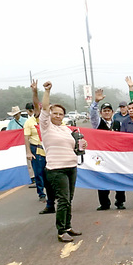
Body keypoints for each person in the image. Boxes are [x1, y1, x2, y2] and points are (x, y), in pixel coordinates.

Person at [39, 81, 86, 243]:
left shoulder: (67, 129)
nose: (58, 116)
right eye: (55, 113)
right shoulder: (46, 127)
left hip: (71, 167)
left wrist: (81, 146)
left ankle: (68, 226)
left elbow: (74, 147)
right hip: (56, 169)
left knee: (69, 199)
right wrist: (47, 91)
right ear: (50, 114)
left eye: (61, 114)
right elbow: (44, 108)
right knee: (63, 200)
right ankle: (61, 231)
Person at [89, 89, 127, 211]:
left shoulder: (118, 124)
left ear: (112, 112)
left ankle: (120, 201)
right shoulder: (97, 123)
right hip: (102, 155)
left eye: (108, 110)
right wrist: (95, 102)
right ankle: (104, 203)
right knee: (102, 179)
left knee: (119, 178)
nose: (106, 112)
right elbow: (93, 114)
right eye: (104, 111)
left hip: (116, 156)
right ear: (101, 112)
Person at [28, 81, 56, 215]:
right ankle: (50, 204)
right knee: (46, 179)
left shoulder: (60, 122)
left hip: (56, 154)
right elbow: (36, 105)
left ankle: (63, 203)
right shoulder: (42, 120)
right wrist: (35, 92)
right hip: (42, 153)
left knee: (57, 179)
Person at [23, 101, 48, 203]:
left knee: (51, 172)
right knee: (38, 172)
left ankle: (52, 192)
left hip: (48, 148)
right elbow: (26, 137)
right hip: (36, 148)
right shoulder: (29, 122)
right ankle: (41, 193)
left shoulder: (48, 120)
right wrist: (28, 152)